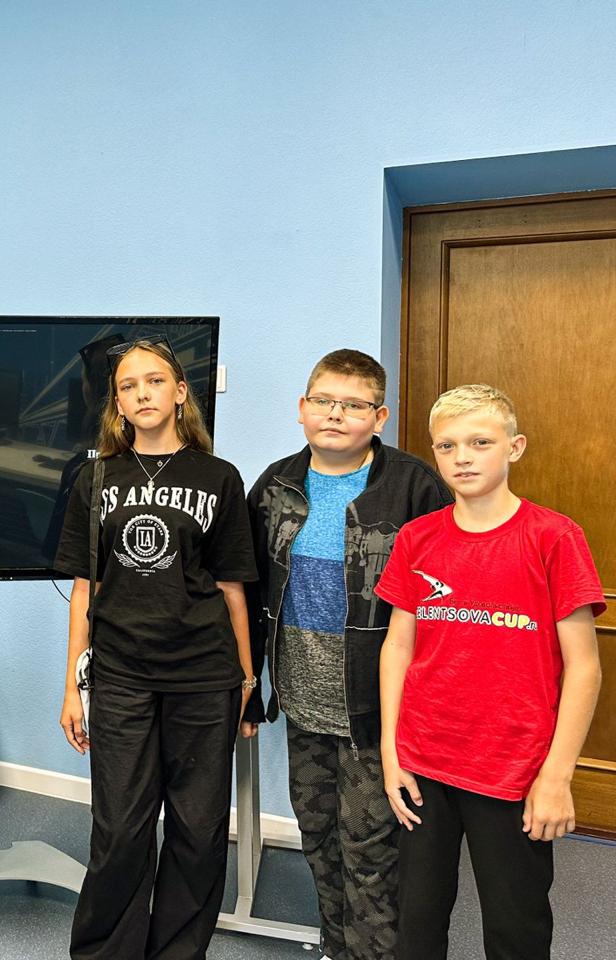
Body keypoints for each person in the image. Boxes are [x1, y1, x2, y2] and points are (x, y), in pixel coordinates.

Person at [376, 384, 604, 960]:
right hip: (424, 761)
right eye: (447, 446)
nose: (463, 457)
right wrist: (390, 752)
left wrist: (557, 776)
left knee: (515, 926)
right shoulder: (417, 538)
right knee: (416, 923)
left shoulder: (554, 537)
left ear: (514, 447)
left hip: (513, 768)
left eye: (480, 442)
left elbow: (584, 667)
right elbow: (397, 646)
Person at [54, 337, 259, 960]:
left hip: (204, 676)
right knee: (119, 829)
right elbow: (85, 589)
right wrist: (72, 688)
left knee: (198, 830)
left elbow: (232, 588)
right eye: (128, 386)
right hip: (121, 676)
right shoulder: (94, 478)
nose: (142, 393)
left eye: (154, 381)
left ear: (180, 393)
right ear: (116, 404)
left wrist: (247, 681)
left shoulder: (218, 478)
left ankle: (176, 951)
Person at [244, 349, 451, 960]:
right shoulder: (275, 485)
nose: (336, 414)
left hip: (375, 707)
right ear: (302, 408)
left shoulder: (413, 486)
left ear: (379, 417)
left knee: (370, 849)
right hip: (302, 699)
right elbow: (248, 589)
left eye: (355, 405)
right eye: (324, 401)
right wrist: (250, 685)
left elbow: (444, 596)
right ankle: (337, 947)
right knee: (317, 837)